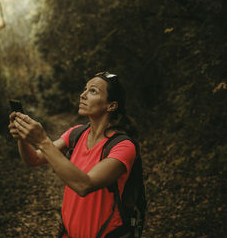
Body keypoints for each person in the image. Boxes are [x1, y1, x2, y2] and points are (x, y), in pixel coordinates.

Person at [8, 71, 137, 238]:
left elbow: (85, 185)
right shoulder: (76, 134)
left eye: (93, 91)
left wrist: (42, 140)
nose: (82, 95)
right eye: (84, 89)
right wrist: (22, 136)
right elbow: (34, 159)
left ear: (111, 106)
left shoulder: (123, 146)